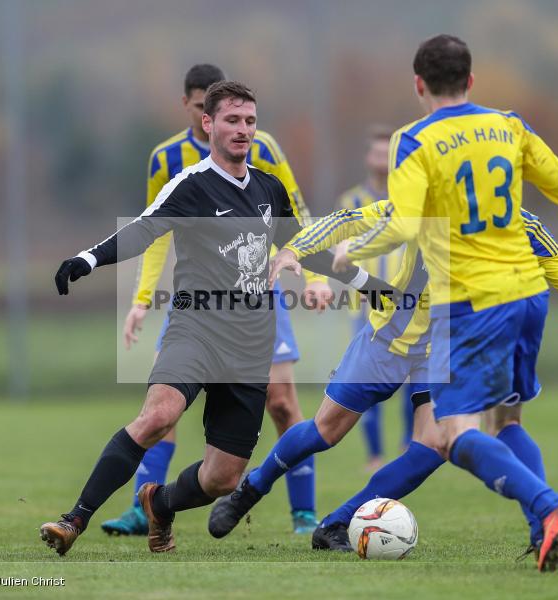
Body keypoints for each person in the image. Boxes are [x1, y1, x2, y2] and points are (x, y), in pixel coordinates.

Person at [214, 34, 558, 572]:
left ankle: (341, 521)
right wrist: (297, 250)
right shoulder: (478, 156)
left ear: (419, 85)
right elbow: (348, 221)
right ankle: (251, 489)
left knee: (437, 444)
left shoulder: (434, 171)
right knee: (328, 429)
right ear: (471, 81)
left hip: (451, 329)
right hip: (393, 334)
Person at [39, 81, 393, 556]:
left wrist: (376, 288)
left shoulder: (270, 189)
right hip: (196, 329)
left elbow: (312, 250)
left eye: (249, 121)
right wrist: (85, 260)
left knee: (223, 478)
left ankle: (160, 504)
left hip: (249, 344)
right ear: (208, 123)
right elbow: (143, 232)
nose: (243, 130)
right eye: (232, 120)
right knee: (158, 417)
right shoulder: (191, 185)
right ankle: (73, 520)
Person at [102, 64, 332, 538]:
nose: (238, 127)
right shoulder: (167, 159)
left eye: (243, 118)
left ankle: (303, 513)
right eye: (205, 105)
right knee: (164, 405)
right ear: (193, 109)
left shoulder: (261, 147)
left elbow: (296, 209)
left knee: (283, 400)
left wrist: (311, 273)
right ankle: (144, 504)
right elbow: (154, 233)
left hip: (257, 295)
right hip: (197, 301)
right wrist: (143, 298)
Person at [309, 208, 558, 559]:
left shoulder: (447, 210)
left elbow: (382, 226)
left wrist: (347, 254)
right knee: (494, 426)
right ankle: (543, 530)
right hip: (519, 315)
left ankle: (548, 509)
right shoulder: (525, 221)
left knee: (448, 438)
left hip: (472, 329)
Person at [335, 125, 412, 472]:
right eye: (377, 153)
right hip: (366, 306)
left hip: (408, 305)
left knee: (414, 381)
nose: (382, 160)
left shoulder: (409, 198)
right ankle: (374, 455)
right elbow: (339, 247)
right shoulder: (351, 202)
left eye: (388, 153)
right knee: (367, 381)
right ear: (368, 157)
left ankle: (409, 446)